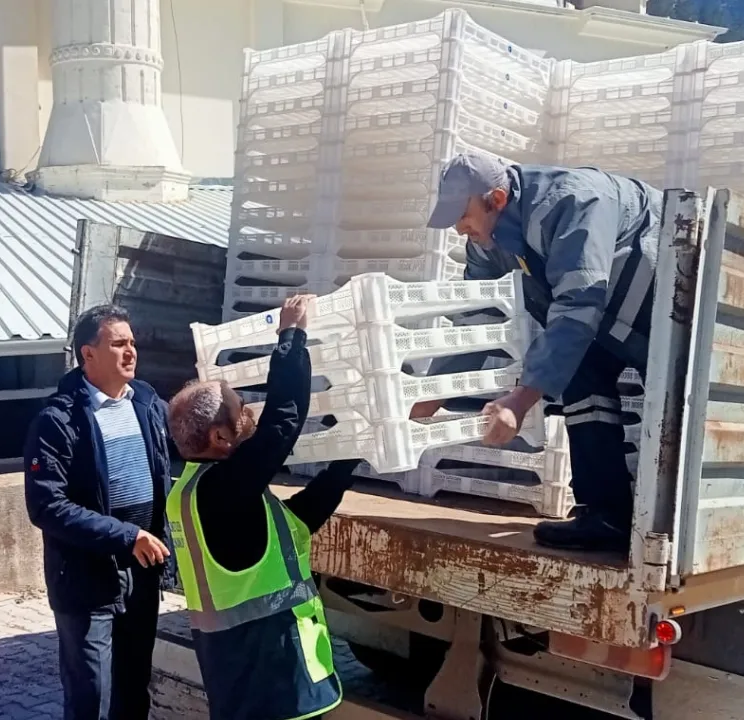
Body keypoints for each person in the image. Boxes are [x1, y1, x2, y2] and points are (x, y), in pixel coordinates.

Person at [413, 149, 662, 553]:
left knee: (675, 410)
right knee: (581, 378)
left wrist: (519, 401)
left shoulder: (573, 202)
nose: (459, 229)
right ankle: (606, 516)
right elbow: (478, 317)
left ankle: (671, 525)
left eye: (463, 216)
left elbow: (578, 304)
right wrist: (430, 396)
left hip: (663, 314)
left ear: (496, 200)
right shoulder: (487, 242)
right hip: (603, 323)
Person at [166, 295, 360, 720]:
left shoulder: (194, 492)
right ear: (219, 437)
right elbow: (283, 420)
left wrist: (349, 459)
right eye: (240, 409)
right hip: (273, 680)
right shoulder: (221, 488)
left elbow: (298, 520)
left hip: (246, 678)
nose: (249, 411)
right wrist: (291, 335)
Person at [24, 304, 177, 720]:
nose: (131, 352)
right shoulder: (57, 420)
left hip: (142, 573)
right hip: (86, 580)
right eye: (118, 344)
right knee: (92, 697)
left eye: (132, 343)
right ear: (88, 354)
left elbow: (184, 447)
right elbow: (47, 506)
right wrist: (126, 536)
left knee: (133, 692)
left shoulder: (147, 402)